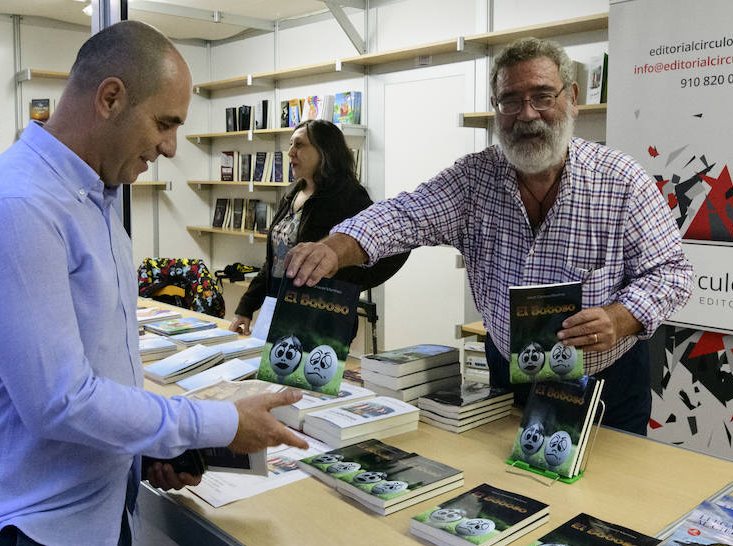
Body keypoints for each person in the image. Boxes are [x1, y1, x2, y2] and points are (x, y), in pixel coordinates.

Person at [0, 20, 305, 546]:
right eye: (165, 123)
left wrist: (150, 450)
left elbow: (100, 363)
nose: (172, 148)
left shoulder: (90, 200)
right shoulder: (14, 207)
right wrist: (214, 423)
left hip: (75, 534)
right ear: (111, 97)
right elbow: (59, 399)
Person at [284, 37, 693, 433]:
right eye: (510, 100)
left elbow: (671, 272)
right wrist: (334, 248)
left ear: (571, 97)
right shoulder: (474, 179)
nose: (527, 114)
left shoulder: (621, 180)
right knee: (511, 491)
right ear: (496, 108)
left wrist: (620, 319)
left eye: (543, 96)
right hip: (508, 375)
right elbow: (403, 215)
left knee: (616, 499)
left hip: (606, 382)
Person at [228, 119, 408, 336]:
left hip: (321, 320)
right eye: (291, 144)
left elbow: (395, 247)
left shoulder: (348, 195)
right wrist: (246, 307)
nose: (290, 152)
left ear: (325, 150)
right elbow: (275, 260)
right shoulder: (293, 192)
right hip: (278, 312)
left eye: (300, 145)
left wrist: (345, 283)